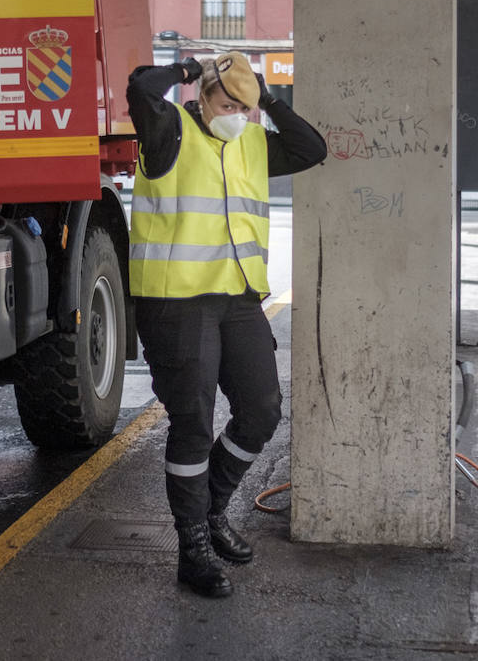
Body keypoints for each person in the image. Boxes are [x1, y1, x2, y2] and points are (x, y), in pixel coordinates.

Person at [126, 51, 327, 598]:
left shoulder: (253, 143)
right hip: (176, 302)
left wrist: (268, 97)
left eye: (245, 105)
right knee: (192, 423)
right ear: (201, 98)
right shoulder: (169, 133)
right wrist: (187, 69)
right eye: (226, 101)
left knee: (261, 409)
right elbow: (143, 88)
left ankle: (211, 510)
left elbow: (313, 149)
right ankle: (192, 548)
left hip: (238, 300)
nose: (237, 112)